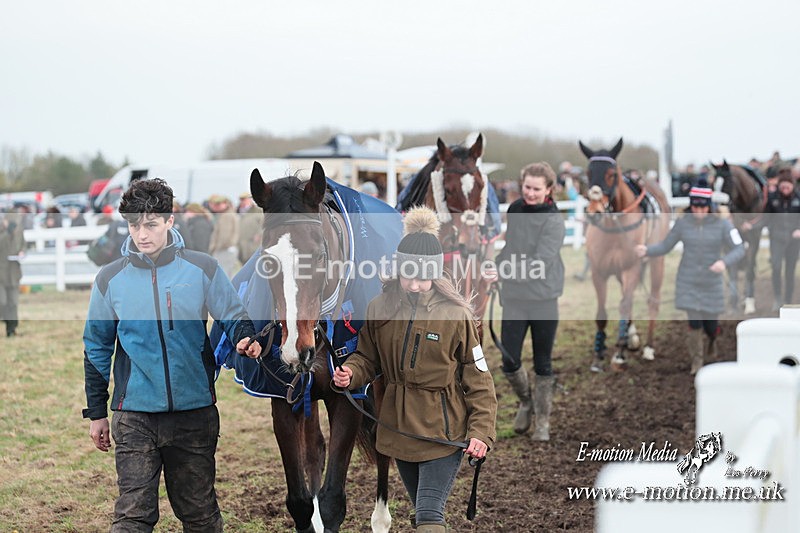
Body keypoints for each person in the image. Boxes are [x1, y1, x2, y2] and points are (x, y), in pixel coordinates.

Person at [82, 178, 263, 532]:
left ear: (169, 220)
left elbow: (235, 316)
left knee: (200, 516)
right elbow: (96, 347)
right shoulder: (109, 279)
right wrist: (96, 413)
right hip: (133, 415)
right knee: (132, 516)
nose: (141, 234)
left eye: (150, 224)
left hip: (194, 414)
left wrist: (245, 339)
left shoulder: (203, 268)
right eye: (134, 225)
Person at [331, 206, 497, 533]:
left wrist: (481, 432)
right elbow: (367, 357)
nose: (417, 284)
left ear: (436, 275)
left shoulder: (457, 315)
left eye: (424, 278)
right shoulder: (379, 307)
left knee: (429, 516)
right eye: (410, 276)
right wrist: (351, 372)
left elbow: (479, 380)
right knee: (421, 510)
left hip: (443, 433)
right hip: (398, 431)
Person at [635, 181, 745, 374]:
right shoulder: (682, 223)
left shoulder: (722, 225)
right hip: (688, 280)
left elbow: (739, 248)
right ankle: (697, 362)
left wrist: (723, 263)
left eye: (703, 206)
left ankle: (712, 339)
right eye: (695, 206)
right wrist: (647, 251)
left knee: (710, 325)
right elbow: (666, 246)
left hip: (712, 282)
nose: (699, 211)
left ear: (709, 206)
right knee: (694, 323)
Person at [495, 162, 565, 441]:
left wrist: (504, 270)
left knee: (542, 363)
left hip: (543, 298)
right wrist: (495, 265)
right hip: (514, 297)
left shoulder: (554, 220)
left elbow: (540, 264)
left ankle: (543, 422)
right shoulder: (514, 210)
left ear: (549, 189)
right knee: (508, 358)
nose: (530, 193)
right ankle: (526, 401)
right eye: (527, 187)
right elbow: (511, 248)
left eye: (537, 189)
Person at [743, 173, 800, 310]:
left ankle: (788, 300)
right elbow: (764, 218)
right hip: (777, 239)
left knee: (790, 271)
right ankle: (778, 298)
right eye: (783, 186)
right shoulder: (773, 199)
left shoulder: (798, 199)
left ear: (792, 186)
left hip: (794, 241)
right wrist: (751, 225)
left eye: (788, 186)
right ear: (780, 186)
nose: (785, 189)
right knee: (776, 267)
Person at [0, 211, 25, 337]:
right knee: (2, 301)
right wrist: (7, 233)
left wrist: (21, 252)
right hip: (1, 274)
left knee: (13, 302)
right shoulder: (3, 233)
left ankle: (11, 330)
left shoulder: (18, 231)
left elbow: (23, 245)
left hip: (14, 272)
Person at [207, 194, 239, 278]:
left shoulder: (226, 216)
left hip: (224, 250)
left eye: (219, 204)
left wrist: (215, 248)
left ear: (226, 204)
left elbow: (224, 237)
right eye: (215, 204)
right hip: (227, 250)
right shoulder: (229, 214)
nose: (216, 206)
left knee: (222, 276)